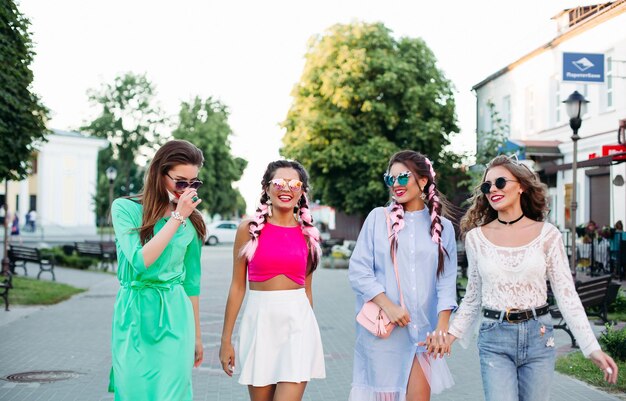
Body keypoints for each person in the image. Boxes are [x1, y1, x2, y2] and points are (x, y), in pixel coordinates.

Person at [441, 155, 618, 401]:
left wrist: (591, 348)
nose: (492, 189)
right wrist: (449, 336)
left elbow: (567, 296)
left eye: (500, 182)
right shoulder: (476, 239)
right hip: (494, 338)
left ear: (521, 186)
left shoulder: (548, 235)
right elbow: (472, 297)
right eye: (487, 186)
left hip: (539, 335)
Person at [349, 150, 458, 401]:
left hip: (423, 334)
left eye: (403, 177)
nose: (396, 185)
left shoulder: (444, 228)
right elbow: (358, 271)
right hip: (384, 336)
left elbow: (446, 281)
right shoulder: (378, 218)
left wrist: (443, 327)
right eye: (391, 179)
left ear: (423, 180)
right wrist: (389, 307)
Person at [219, 160, 325, 401]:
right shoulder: (248, 229)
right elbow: (237, 287)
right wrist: (226, 341)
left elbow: (307, 292)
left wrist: (308, 335)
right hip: (260, 325)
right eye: (278, 182)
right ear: (266, 188)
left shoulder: (308, 235)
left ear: (302, 192)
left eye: (294, 183)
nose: (285, 188)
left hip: (297, 327)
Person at [108, 140, 206, 401]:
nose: (187, 190)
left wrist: (197, 336)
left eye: (193, 183)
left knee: (173, 395)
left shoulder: (192, 222)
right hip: (134, 316)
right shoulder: (125, 209)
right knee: (133, 393)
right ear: (159, 174)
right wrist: (176, 219)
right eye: (180, 182)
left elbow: (191, 283)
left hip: (176, 317)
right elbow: (140, 262)